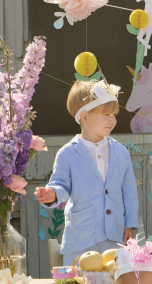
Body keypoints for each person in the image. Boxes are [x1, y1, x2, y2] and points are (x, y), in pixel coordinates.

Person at [34, 80, 139, 266]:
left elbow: (129, 192)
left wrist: (129, 224)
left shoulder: (121, 152)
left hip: (115, 237)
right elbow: (61, 185)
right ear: (85, 117)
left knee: (114, 278)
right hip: (80, 239)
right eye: (106, 114)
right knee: (79, 280)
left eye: (114, 114)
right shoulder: (68, 153)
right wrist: (52, 194)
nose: (113, 120)